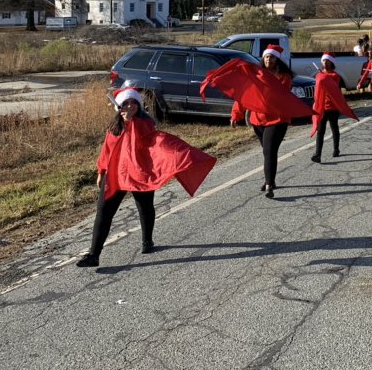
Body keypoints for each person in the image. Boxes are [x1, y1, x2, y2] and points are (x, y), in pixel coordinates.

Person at [77, 85, 215, 268]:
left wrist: (130, 122)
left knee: (145, 207)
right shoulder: (115, 126)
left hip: (138, 173)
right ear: (119, 106)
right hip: (116, 175)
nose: (130, 106)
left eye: (134, 102)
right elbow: (107, 150)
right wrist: (101, 171)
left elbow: (145, 137)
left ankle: (147, 241)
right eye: (126, 103)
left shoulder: (145, 123)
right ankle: (93, 255)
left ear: (139, 106)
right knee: (104, 211)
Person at [231, 45, 292, 198]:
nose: (269, 59)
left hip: (277, 120)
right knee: (267, 152)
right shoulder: (255, 75)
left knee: (269, 151)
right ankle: (270, 179)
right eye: (266, 57)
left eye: (272, 57)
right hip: (257, 120)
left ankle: (269, 184)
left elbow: (278, 95)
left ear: (277, 60)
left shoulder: (284, 76)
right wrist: (236, 115)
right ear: (263, 59)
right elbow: (245, 95)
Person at [311, 53, 357, 162]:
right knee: (320, 131)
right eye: (323, 61)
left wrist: (323, 77)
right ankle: (318, 154)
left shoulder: (335, 76)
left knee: (334, 128)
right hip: (322, 107)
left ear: (332, 63)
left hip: (332, 107)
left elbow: (332, 87)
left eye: (327, 61)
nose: (325, 63)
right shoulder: (319, 75)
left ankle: (336, 148)